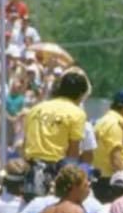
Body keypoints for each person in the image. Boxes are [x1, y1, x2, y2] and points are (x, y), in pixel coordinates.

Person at [22, 69, 89, 198]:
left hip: (30, 168)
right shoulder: (77, 113)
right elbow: (73, 152)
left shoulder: (36, 109)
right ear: (81, 94)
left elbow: (25, 143)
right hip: (55, 170)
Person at [92, 89, 123, 200]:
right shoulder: (115, 125)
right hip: (110, 182)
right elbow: (115, 158)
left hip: (98, 178)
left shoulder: (102, 120)